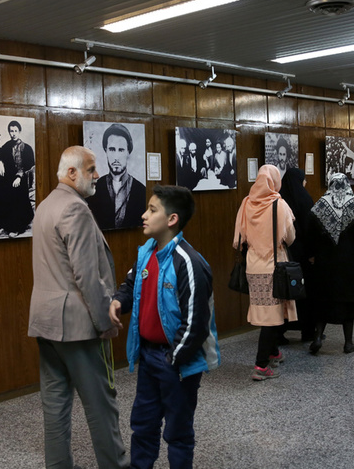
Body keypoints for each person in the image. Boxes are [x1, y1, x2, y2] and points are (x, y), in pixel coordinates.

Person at [28, 146, 129, 469]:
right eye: (90, 169)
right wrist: (106, 323)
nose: (96, 174)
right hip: (77, 326)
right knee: (101, 405)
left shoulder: (45, 206)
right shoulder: (76, 209)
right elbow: (88, 275)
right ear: (71, 173)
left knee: (55, 407)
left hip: (45, 324)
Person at [110, 185, 220, 469]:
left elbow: (196, 322)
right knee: (143, 424)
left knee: (177, 431)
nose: (144, 215)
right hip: (148, 357)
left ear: (172, 219)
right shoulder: (146, 253)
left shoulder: (189, 263)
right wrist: (118, 303)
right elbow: (131, 285)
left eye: (152, 210)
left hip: (177, 363)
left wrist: (174, 359)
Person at [233, 164, 297, 380]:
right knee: (272, 316)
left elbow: (238, 240)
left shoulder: (246, 203)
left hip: (253, 265)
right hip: (274, 265)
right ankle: (261, 365)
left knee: (266, 311)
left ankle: (273, 352)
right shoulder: (279, 204)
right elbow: (290, 237)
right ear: (275, 180)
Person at [307, 173, 354, 355]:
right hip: (348, 264)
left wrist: (311, 255)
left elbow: (309, 234)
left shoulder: (320, 206)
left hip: (324, 263)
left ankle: (318, 337)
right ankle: (348, 343)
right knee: (348, 302)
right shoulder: (353, 206)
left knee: (323, 301)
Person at [277, 167, 315, 343]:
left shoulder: (279, 200)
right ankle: (307, 331)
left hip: (284, 254)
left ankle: (280, 332)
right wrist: (312, 253)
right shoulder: (305, 199)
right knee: (304, 293)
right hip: (302, 255)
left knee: (284, 293)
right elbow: (310, 230)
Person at [87, 123, 146, 230]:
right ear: (106, 151)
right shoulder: (94, 189)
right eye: (112, 149)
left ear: (128, 152)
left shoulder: (141, 191)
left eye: (121, 150)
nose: (116, 158)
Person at [0, 120, 35, 237]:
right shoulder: (7, 145)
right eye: (11, 131)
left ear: (19, 132)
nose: (13, 134)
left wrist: (19, 176)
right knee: (4, 196)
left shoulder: (26, 148)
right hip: (8, 178)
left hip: (22, 179)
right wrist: (0, 163)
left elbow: (29, 164)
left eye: (15, 131)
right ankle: (7, 225)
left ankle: (18, 227)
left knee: (18, 196)